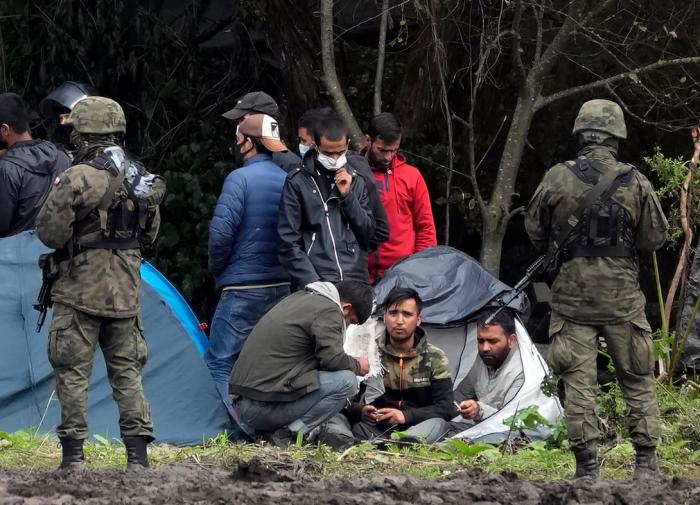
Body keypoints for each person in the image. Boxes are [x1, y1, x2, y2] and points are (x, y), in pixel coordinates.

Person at [524, 99, 668, 480]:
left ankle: (587, 469)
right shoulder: (635, 180)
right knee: (637, 378)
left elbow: (535, 231)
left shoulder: (557, 177)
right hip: (622, 299)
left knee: (578, 384)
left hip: (572, 301)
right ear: (617, 136)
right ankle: (646, 465)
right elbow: (654, 238)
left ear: (581, 134)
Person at [35, 96, 165, 470]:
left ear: (83, 131)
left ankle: (74, 458)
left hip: (79, 289)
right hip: (125, 290)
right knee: (128, 374)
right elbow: (151, 234)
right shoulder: (142, 178)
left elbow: (50, 233)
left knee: (73, 373)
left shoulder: (77, 176)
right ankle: (138, 460)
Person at [206, 113, 291, 399]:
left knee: (220, 362)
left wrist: (218, 271)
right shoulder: (288, 179)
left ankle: (226, 424)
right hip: (281, 286)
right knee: (266, 363)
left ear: (247, 142)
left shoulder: (239, 179)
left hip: (243, 286)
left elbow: (221, 235)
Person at [229, 280, 372, 445]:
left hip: (242, 402)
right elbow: (332, 360)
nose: (347, 327)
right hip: (257, 409)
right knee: (347, 382)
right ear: (346, 308)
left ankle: (274, 433)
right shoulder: (329, 311)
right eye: (351, 322)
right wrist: (357, 365)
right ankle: (289, 435)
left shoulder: (300, 298)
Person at [278, 112, 376, 287]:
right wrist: (312, 281)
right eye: (328, 153)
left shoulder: (357, 179)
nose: (335, 159)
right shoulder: (298, 182)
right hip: (317, 280)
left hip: (355, 280)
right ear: (315, 146)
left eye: (340, 152)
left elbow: (368, 233)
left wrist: (348, 197)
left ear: (347, 144)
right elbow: (288, 241)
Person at [350, 288, 454, 444]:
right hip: (377, 427)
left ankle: (398, 443)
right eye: (393, 313)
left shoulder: (435, 357)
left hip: (419, 426)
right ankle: (393, 444)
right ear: (384, 317)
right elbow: (347, 401)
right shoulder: (368, 354)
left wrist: (406, 416)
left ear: (418, 319)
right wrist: (361, 411)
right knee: (356, 427)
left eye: (407, 314)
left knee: (439, 424)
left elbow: (445, 408)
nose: (399, 321)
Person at [297, 107, 390, 251]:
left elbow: (380, 230)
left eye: (304, 141)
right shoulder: (305, 174)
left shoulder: (356, 171)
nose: (302, 146)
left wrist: (353, 255)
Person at [361, 113, 437, 282]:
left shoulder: (412, 176)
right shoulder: (351, 171)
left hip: (404, 273)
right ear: (368, 140)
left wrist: (419, 269)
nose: (388, 157)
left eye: (393, 150)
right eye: (382, 150)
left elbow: (426, 228)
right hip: (360, 272)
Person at [0, 92, 70, 238]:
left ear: (5, 130)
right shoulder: (62, 158)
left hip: (14, 256)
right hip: (56, 253)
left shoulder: (7, 169)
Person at [449, 309, 524, 433]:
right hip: (478, 428)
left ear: (511, 340)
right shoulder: (483, 360)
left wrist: (479, 410)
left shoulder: (522, 371)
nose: (485, 348)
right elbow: (459, 396)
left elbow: (513, 421)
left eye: (493, 341)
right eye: (480, 341)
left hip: (505, 436)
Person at [221, 91, 301, 173]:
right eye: (238, 121)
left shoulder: (289, 164)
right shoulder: (247, 158)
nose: (239, 126)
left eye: (242, 120)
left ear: (263, 119)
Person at [38, 81, 96, 154]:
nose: (62, 122)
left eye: (68, 115)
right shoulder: (51, 148)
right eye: (59, 115)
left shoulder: (97, 150)